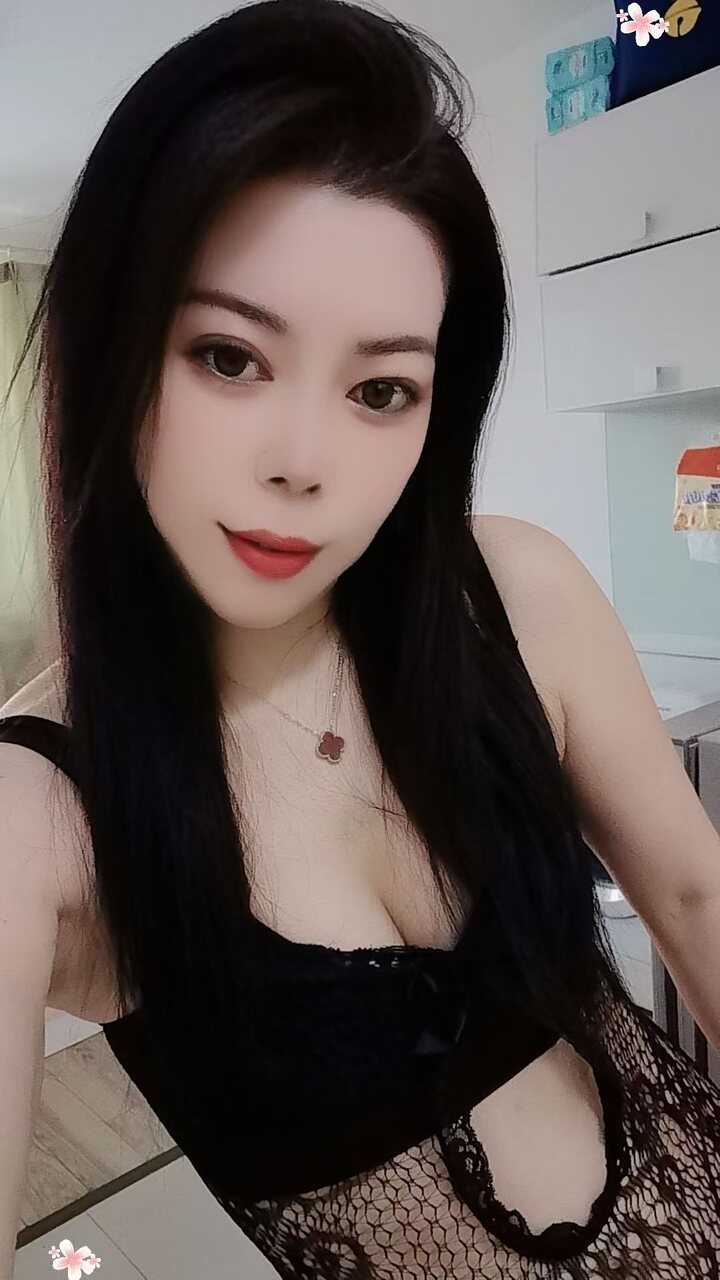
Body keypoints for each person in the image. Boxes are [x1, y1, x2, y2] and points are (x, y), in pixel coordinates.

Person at [2, 2, 720, 1277]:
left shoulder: (513, 594)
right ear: (113, 348)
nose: (304, 462)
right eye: (229, 356)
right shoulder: (40, 815)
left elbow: (692, 894)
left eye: (381, 388)